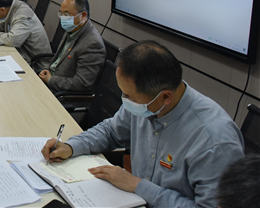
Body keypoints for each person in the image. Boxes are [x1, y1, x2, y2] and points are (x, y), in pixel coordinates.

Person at [41, 40, 245, 208]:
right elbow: (111, 131)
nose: (124, 100)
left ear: (165, 97)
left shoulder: (214, 141)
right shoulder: (148, 104)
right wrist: (71, 146)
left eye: (129, 96)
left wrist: (139, 186)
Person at [38, 0, 106, 93]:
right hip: (49, 83)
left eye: (66, 14)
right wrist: (46, 69)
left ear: (83, 15)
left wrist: (51, 80)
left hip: (60, 94)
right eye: (60, 14)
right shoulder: (73, 29)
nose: (62, 18)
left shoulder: (93, 44)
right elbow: (58, 59)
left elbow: (81, 83)